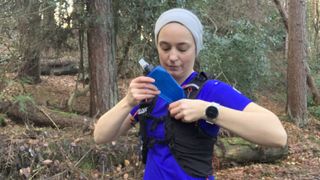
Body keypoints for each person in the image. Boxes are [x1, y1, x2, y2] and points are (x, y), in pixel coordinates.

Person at [94, 8, 287, 180]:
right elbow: (100, 136)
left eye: (182, 48)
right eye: (165, 47)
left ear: (196, 48)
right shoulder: (150, 91)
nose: (173, 57)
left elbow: (277, 135)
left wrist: (209, 110)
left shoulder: (212, 90)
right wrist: (128, 102)